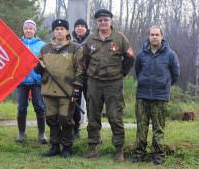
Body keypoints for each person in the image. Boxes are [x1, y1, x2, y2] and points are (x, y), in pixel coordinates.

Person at [82, 9, 135, 161]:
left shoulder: (119, 38)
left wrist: (121, 73)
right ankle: (92, 147)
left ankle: (119, 150)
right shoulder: (91, 39)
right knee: (93, 116)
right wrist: (90, 75)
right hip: (94, 83)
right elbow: (84, 60)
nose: (103, 22)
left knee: (115, 116)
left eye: (105, 20)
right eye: (100, 20)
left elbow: (130, 58)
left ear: (110, 21)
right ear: (97, 23)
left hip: (113, 84)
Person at [35, 19, 84, 158]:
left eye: (62, 29)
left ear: (67, 31)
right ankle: (55, 146)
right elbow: (38, 68)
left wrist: (77, 88)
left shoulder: (75, 48)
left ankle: (67, 147)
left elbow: (81, 70)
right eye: (56, 29)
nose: (59, 31)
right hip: (48, 89)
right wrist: (38, 68)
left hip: (67, 91)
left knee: (65, 119)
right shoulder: (45, 49)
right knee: (51, 119)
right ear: (53, 31)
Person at [132, 26, 180, 165]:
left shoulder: (170, 54)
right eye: (152, 34)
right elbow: (137, 70)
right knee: (141, 127)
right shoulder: (141, 54)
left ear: (162, 36)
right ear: (148, 36)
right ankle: (139, 153)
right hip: (142, 95)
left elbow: (175, 74)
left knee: (158, 128)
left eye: (157, 34)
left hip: (160, 97)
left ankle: (158, 155)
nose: (154, 37)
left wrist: (164, 85)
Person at [15, 19, 47, 144]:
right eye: (26, 28)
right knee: (21, 108)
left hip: (37, 81)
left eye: (31, 28)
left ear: (35, 30)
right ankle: (21, 133)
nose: (28, 30)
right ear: (23, 29)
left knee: (39, 107)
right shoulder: (17, 43)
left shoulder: (41, 45)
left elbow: (45, 62)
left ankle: (42, 133)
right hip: (22, 81)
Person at [72, 18, 90, 139]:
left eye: (82, 26)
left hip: (89, 77)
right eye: (77, 26)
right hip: (75, 77)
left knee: (91, 104)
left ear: (86, 28)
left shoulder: (92, 40)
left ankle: (93, 132)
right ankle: (75, 129)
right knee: (74, 104)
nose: (79, 28)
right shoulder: (69, 41)